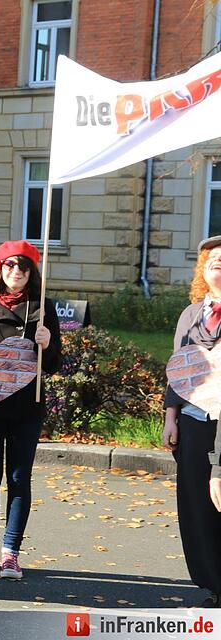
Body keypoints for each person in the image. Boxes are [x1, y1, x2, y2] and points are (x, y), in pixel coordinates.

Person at [0, 240, 60, 581]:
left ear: (32, 272)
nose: (16, 272)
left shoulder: (41, 307)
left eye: (24, 267)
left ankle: (11, 553)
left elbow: (53, 365)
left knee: (19, 478)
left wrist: (46, 345)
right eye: (10, 265)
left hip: (25, 408)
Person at [165, 235, 221, 608]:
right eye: (212, 258)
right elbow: (177, 369)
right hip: (191, 422)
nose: (217, 262)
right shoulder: (190, 314)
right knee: (197, 507)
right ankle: (214, 584)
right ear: (202, 268)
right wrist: (171, 417)